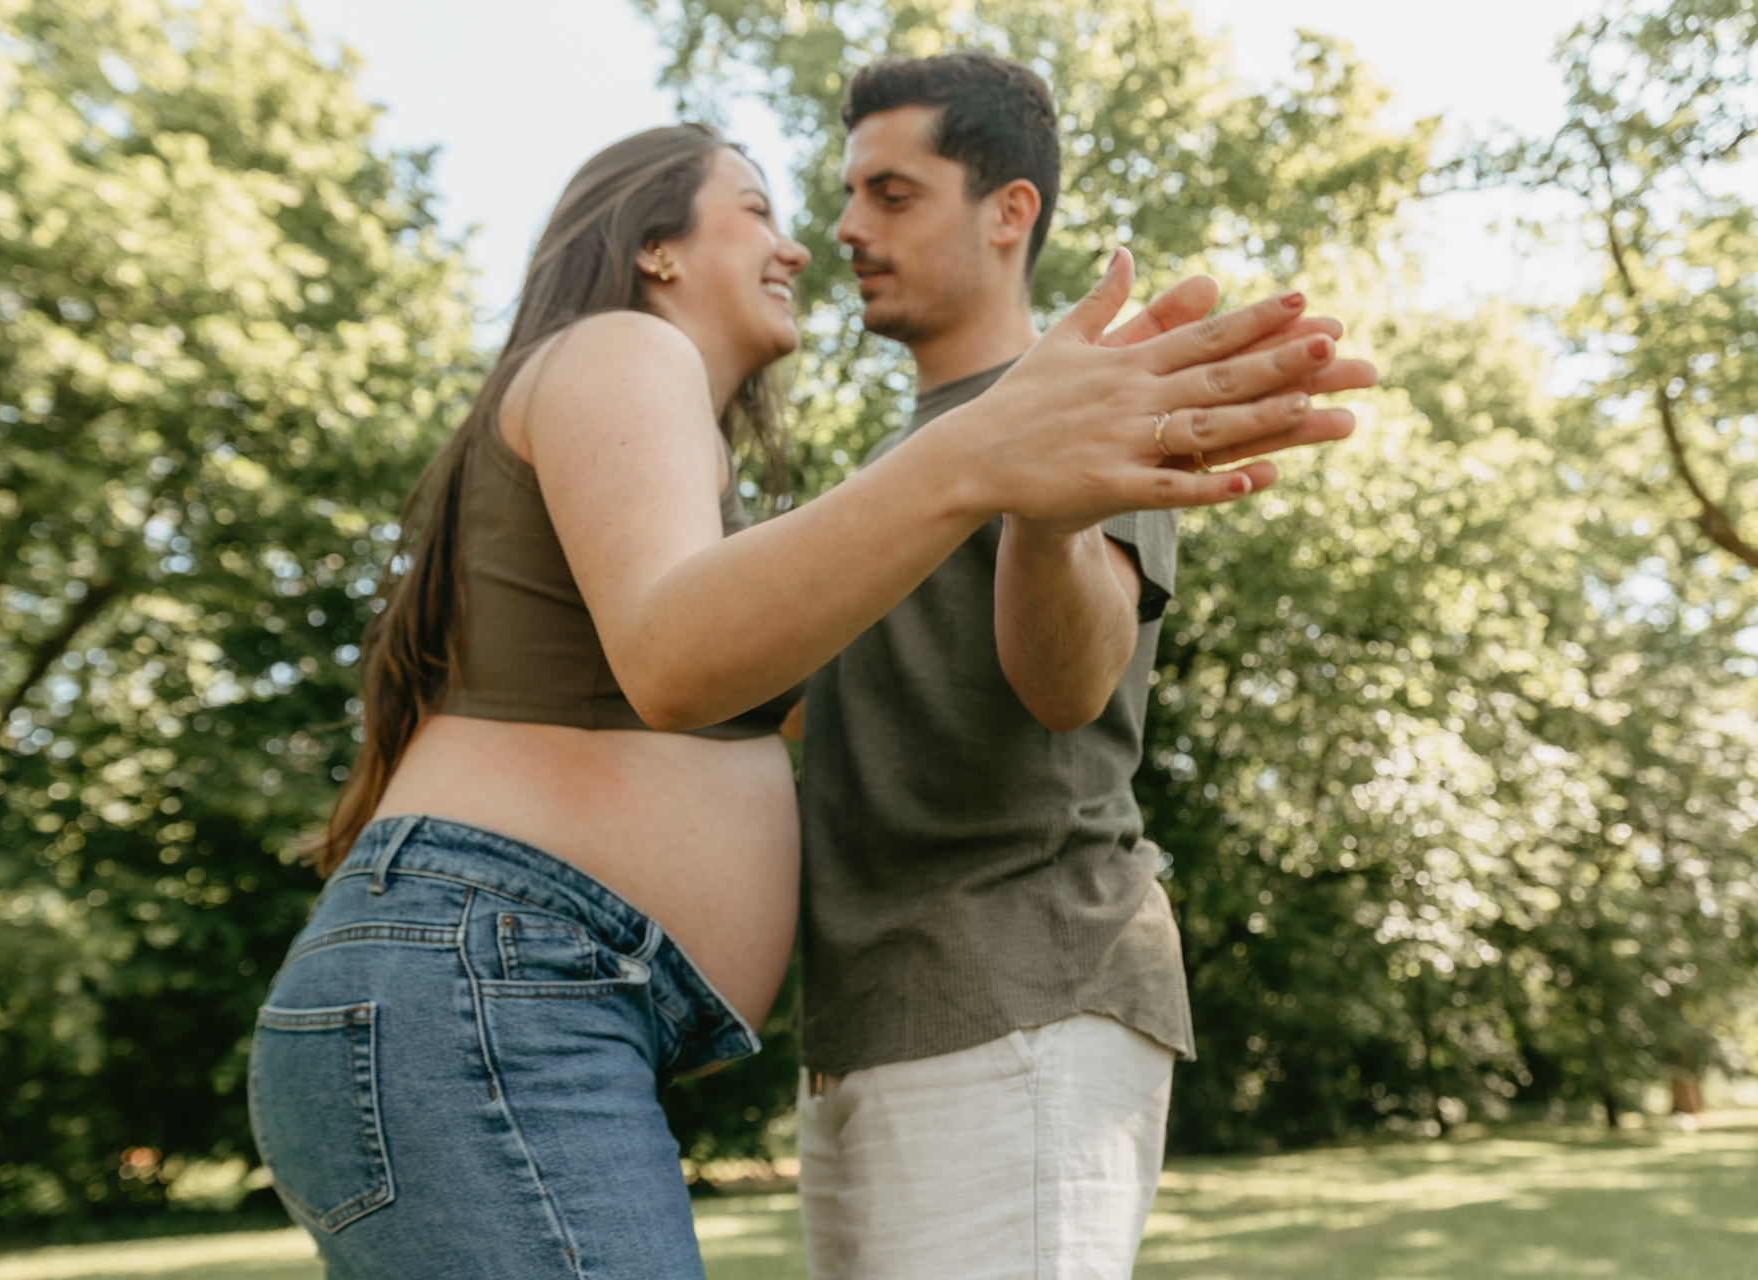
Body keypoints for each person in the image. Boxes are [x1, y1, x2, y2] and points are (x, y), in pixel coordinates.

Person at [245, 119, 1364, 1278]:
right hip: (495, 980)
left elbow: (899, 684)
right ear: (657, 249)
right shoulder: (627, 346)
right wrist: (981, 453)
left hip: (505, 985)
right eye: (758, 210)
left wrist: (1038, 493)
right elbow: (673, 662)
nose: (803, 246)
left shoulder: (666, 462)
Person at [793, 53, 1377, 1280]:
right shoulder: (892, 466)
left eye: (892, 194)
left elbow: (1073, 684)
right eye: (848, 194)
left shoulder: (1086, 408)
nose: (846, 227)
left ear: (1011, 211)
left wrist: (1045, 510)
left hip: (1020, 996)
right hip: (870, 1026)